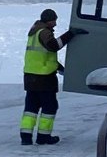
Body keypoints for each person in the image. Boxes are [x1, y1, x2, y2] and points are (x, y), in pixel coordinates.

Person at [19, 9, 77, 144]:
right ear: (49, 20)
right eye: (54, 21)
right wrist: (70, 34)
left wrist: (60, 68)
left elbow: (43, 57)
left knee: (31, 108)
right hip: (43, 78)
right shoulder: (44, 32)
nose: (55, 24)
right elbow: (54, 46)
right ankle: (43, 136)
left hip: (30, 77)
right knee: (49, 107)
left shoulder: (34, 32)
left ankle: (26, 137)